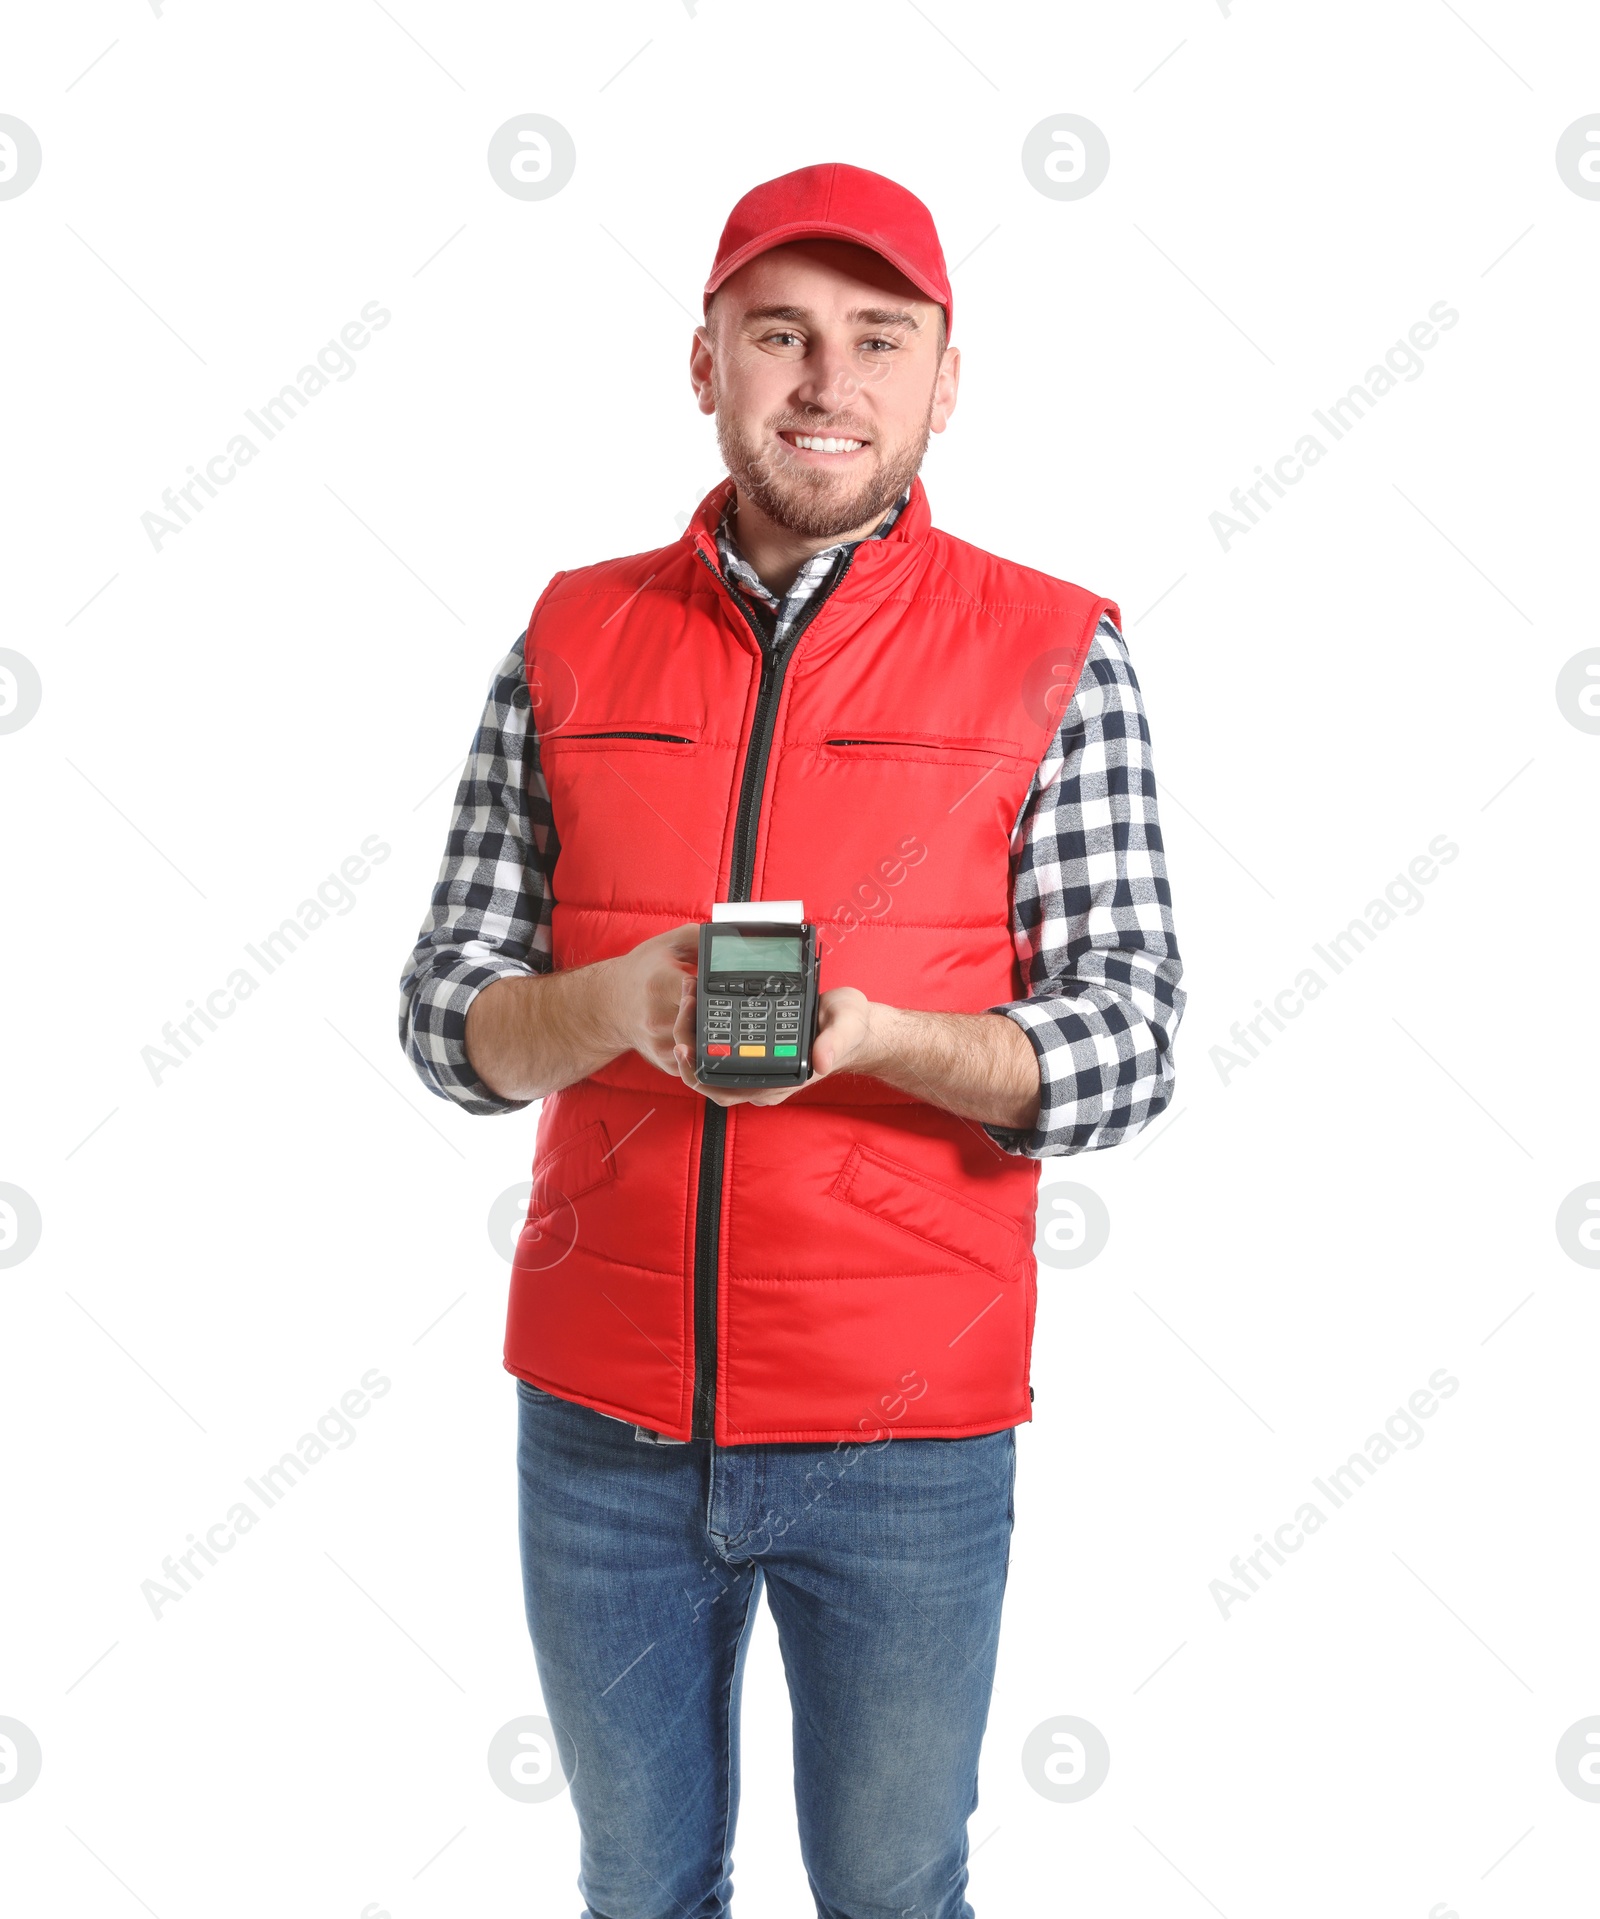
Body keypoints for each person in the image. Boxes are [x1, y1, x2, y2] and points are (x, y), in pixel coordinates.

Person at [399, 161, 1185, 1919]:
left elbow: (1130, 1041)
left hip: (905, 1427)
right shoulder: (570, 636)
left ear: (944, 380)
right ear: (705, 365)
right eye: (781, 336)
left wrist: (889, 1041)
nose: (828, 383)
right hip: (600, 1420)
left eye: (876, 340)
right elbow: (447, 1022)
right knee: (640, 1885)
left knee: (896, 1894)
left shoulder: (1056, 649)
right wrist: (612, 1004)